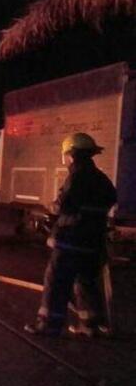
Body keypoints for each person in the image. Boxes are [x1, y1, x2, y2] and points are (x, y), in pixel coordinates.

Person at [24, 133, 117, 337]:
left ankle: (48, 325)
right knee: (85, 282)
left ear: (71, 155)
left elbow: (64, 204)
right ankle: (90, 325)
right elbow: (111, 198)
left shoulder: (76, 176)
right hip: (93, 242)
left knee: (56, 281)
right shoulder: (100, 178)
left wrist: (52, 206)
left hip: (71, 240)